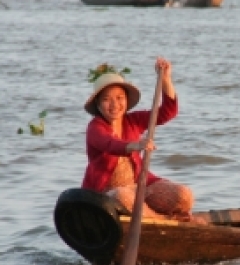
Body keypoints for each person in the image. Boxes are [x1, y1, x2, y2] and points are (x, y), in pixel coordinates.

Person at [82, 58, 197, 222]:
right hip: (108, 194)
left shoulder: (133, 120)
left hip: (139, 186)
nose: (114, 104)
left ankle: (160, 216)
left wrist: (165, 80)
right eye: (107, 99)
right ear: (98, 105)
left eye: (119, 97)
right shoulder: (95, 127)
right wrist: (135, 145)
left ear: (127, 100)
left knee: (184, 195)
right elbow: (109, 143)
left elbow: (167, 113)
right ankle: (164, 221)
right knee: (123, 197)